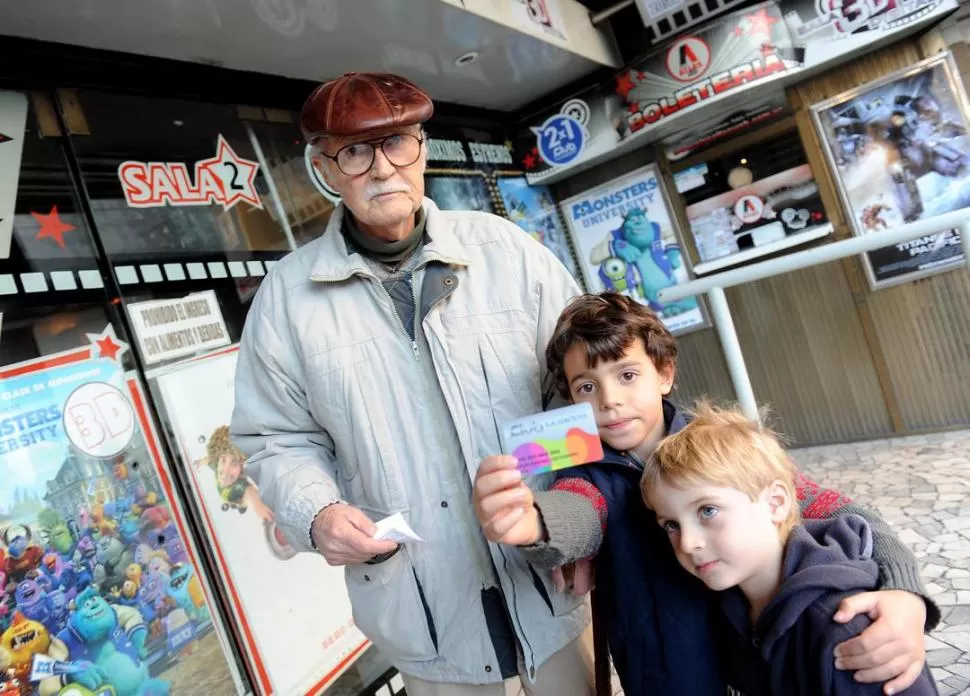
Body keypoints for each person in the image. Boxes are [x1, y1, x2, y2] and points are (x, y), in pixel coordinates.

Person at [229, 72, 593, 696]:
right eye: (355, 152)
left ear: (423, 146)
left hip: (548, 583)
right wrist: (315, 513)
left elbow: (576, 389)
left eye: (398, 142)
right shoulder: (286, 301)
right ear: (323, 167)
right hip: (419, 607)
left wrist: (568, 521)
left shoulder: (506, 253)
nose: (382, 169)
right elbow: (275, 440)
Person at [473, 293, 937, 696]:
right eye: (587, 387)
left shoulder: (719, 448)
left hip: (753, 666)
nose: (608, 400)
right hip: (664, 673)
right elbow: (579, 511)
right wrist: (533, 521)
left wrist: (904, 593)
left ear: (665, 373)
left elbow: (846, 513)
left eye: (628, 375)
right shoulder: (586, 471)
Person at [641, 402, 938, 696]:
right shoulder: (732, 609)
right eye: (671, 525)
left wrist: (906, 593)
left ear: (776, 503)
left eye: (707, 511)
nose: (688, 543)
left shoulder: (847, 633)